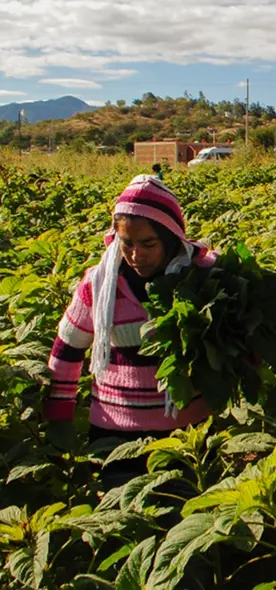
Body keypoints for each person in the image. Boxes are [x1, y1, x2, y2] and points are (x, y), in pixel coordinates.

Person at [44, 175, 216, 486]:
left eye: (149, 243)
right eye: (128, 243)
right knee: (122, 523)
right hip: (115, 434)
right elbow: (67, 350)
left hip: (186, 432)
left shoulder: (201, 279)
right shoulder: (99, 285)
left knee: (181, 513)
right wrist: (59, 420)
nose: (137, 254)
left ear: (170, 237)